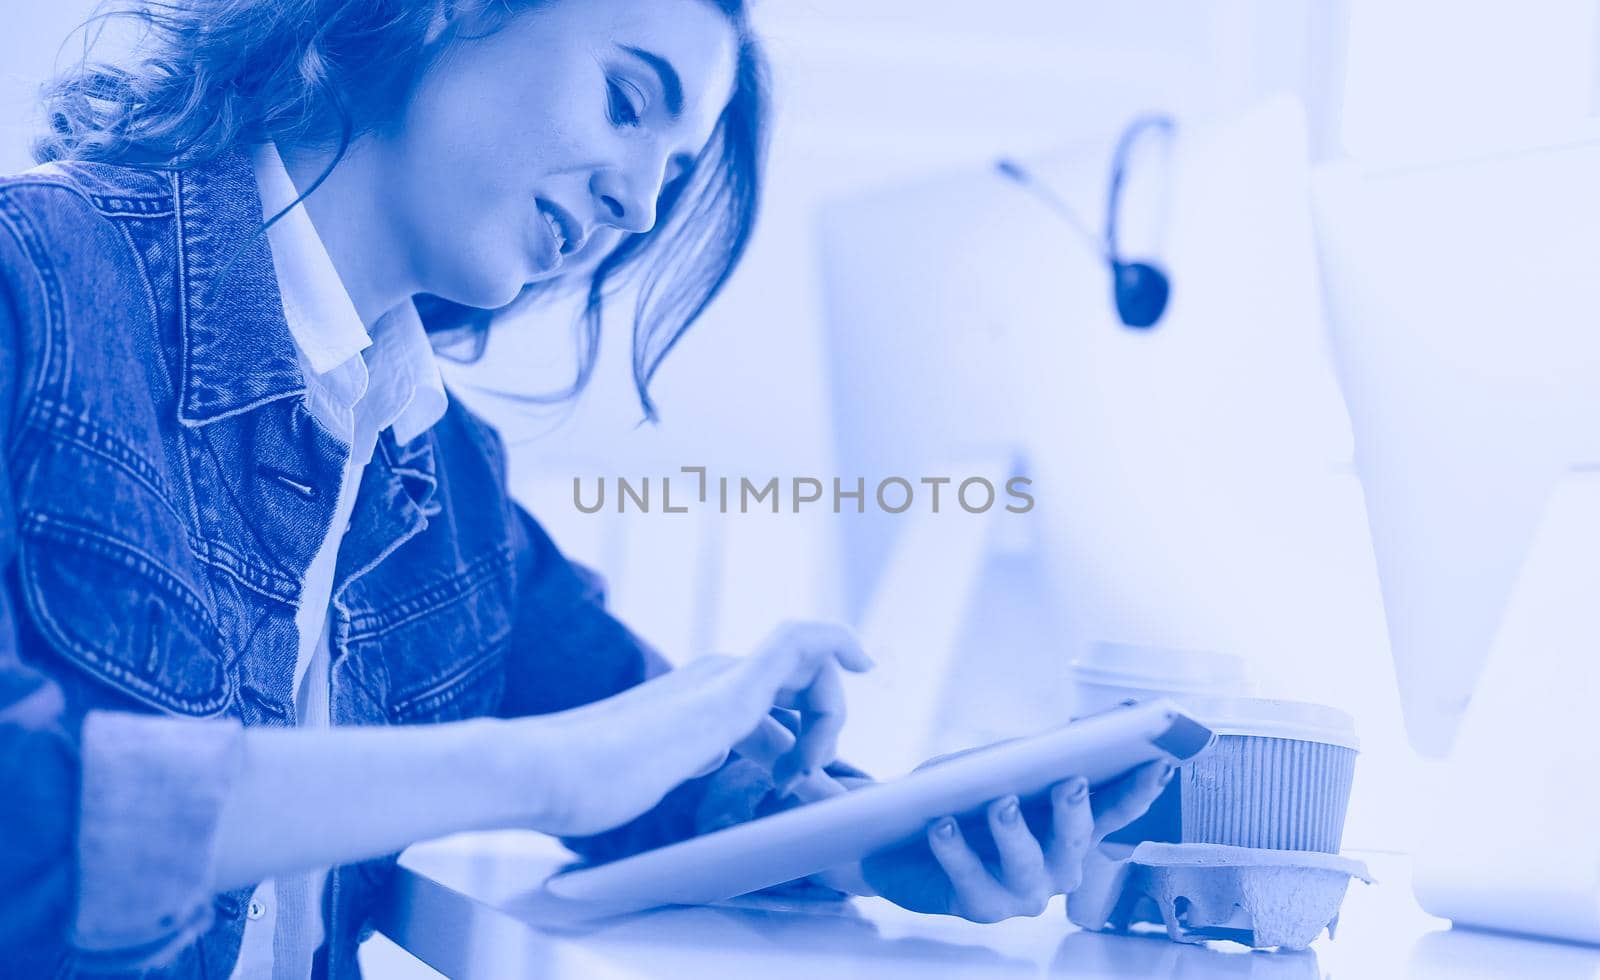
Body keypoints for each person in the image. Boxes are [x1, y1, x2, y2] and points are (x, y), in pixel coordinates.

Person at [0, 0, 1172, 976]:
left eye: (674, 166)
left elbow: (653, 769)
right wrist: (544, 768)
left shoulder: (442, 478)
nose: (642, 206)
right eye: (627, 99)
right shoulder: (32, 286)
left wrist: (881, 843)